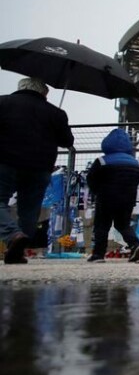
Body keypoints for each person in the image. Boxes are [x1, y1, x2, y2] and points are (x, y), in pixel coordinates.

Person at [1, 77, 74, 264]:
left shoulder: (3, 102)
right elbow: (67, 141)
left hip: (6, 162)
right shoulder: (56, 113)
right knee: (30, 210)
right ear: (45, 93)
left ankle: (13, 235)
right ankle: (18, 251)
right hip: (40, 167)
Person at [86, 128, 139, 263]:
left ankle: (99, 255)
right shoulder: (134, 163)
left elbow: (91, 179)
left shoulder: (102, 161)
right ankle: (135, 245)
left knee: (102, 225)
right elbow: (137, 181)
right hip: (127, 199)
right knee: (123, 224)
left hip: (106, 198)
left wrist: (97, 192)